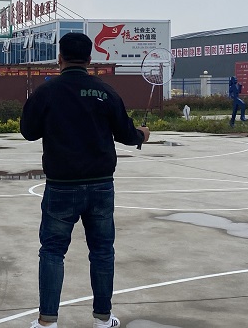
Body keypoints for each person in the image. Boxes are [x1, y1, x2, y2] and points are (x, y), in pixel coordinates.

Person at [20, 32, 150, 328]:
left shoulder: (46, 92)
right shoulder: (105, 91)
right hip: (101, 185)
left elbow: (28, 131)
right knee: (102, 251)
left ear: (60, 59)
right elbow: (126, 133)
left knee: (52, 251)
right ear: (90, 59)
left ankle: (47, 321)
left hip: (61, 186)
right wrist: (142, 135)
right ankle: (103, 318)